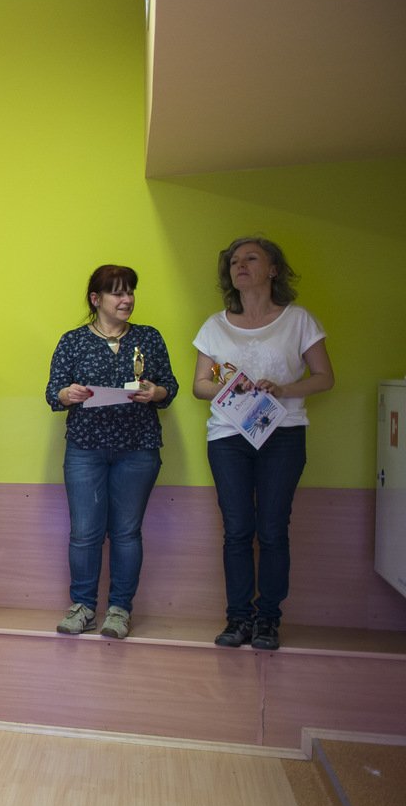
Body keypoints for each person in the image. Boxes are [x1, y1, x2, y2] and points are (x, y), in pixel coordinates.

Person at [192, 236, 333, 651]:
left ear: (273, 270)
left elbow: (325, 377)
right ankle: (238, 618)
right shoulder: (214, 325)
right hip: (228, 437)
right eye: (234, 260)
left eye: (251, 258)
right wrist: (230, 387)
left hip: (283, 434)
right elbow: (200, 385)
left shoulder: (299, 320)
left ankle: (268, 619)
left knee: (272, 529)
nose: (240, 265)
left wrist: (284, 389)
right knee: (237, 530)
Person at [45, 265, 177, 639]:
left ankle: (119, 610)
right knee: (84, 533)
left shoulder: (149, 338)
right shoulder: (73, 341)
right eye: (118, 293)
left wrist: (156, 392)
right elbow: (53, 392)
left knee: (126, 533)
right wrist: (67, 394)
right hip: (85, 449)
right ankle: (83, 607)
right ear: (96, 299)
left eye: (130, 292)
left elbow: (169, 387)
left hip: (138, 448)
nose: (127, 299)